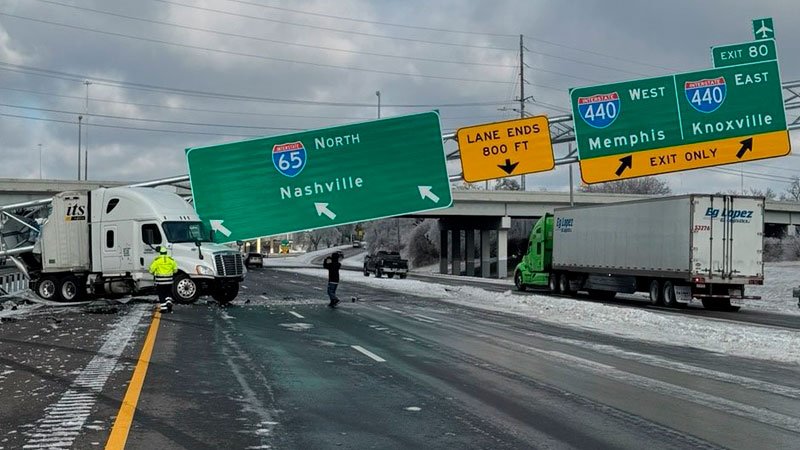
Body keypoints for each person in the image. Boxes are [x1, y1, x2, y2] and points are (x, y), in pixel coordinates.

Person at [149, 246, 178, 313]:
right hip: (169, 280)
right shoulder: (171, 260)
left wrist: (154, 273)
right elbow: (175, 270)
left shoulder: (157, 260)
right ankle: (169, 302)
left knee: (161, 294)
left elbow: (151, 270)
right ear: (166, 252)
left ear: (160, 253)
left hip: (160, 281)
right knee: (168, 292)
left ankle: (164, 309)